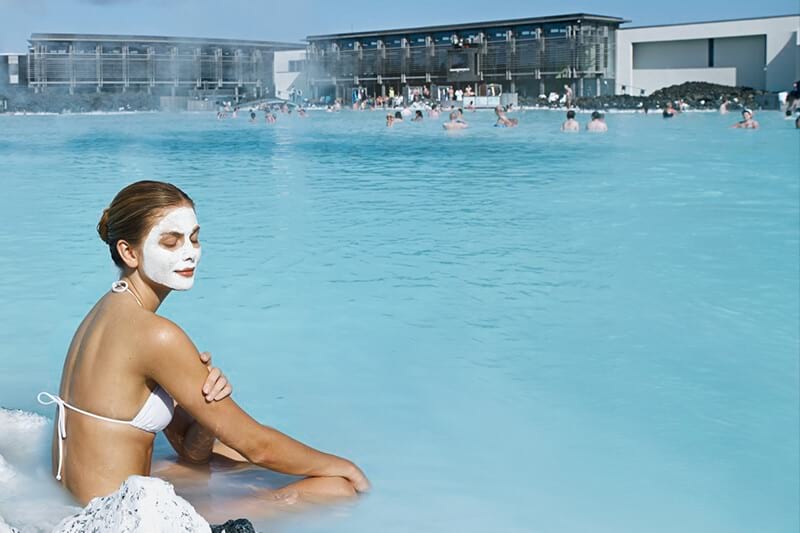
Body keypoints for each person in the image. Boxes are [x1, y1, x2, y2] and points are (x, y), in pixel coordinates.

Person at [38, 181, 369, 514]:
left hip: (83, 507)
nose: (189, 252)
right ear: (129, 252)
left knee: (228, 457)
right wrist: (347, 468)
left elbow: (192, 453)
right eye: (171, 241)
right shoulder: (155, 335)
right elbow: (258, 446)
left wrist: (195, 397)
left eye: (194, 238)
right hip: (122, 522)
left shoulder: (105, 313)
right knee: (337, 487)